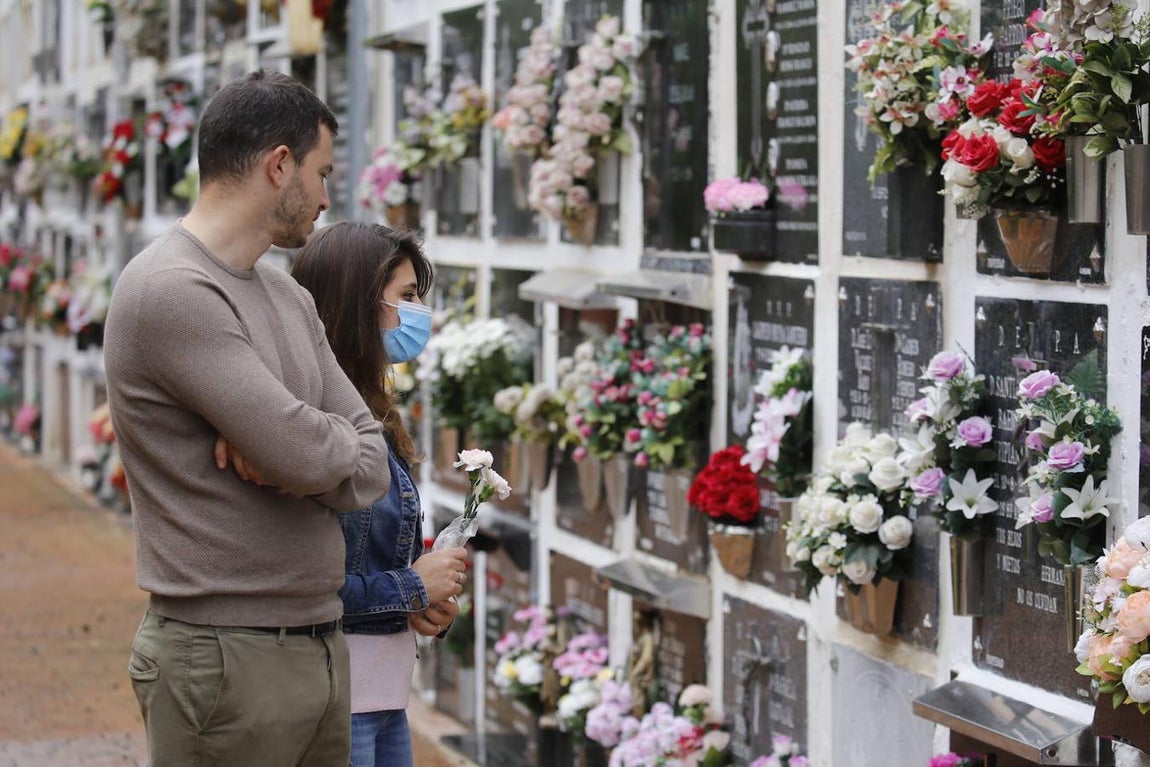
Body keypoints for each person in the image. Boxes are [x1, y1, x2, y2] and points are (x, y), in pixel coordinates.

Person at [103, 71, 392, 767]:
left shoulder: (285, 297)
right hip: (226, 659)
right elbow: (314, 455)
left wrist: (299, 450)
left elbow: (370, 459)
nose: (327, 198)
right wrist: (308, 451)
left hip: (317, 644)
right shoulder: (172, 291)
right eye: (322, 173)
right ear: (279, 165)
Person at [290, 222, 467, 767]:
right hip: (339, 703)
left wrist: (423, 602)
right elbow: (300, 585)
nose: (418, 313)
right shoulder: (318, 424)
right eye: (406, 297)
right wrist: (411, 585)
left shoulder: (376, 415)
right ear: (356, 304)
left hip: (383, 699)